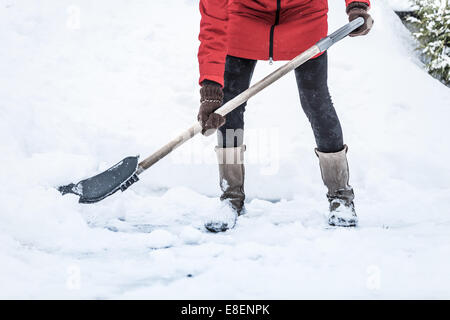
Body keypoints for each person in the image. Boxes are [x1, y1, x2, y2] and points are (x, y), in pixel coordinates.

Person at [197, 0, 373, 232]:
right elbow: (214, 21)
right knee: (229, 107)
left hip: (305, 17)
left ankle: (341, 196)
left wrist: (357, 5)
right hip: (244, 21)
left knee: (316, 103)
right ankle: (231, 196)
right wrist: (210, 86)